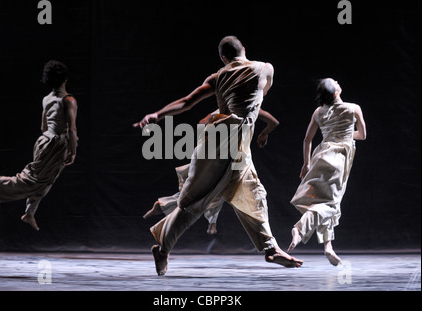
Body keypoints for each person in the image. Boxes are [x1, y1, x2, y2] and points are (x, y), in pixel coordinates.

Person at [134, 36, 303, 275]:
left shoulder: (217, 77)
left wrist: (157, 115)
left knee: (253, 194)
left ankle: (270, 248)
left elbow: (187, 102)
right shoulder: (265, 68)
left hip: (229, 146)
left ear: (224, 58)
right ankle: (162, 250)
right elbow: (261, 94)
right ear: (244, 49)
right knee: (196, 202)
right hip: (224, 145)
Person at [143, 108, 280, 236]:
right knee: (209, 191)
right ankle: (172, 209)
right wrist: (262, 133)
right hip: (220, 157)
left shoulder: (242, 109)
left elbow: (203, 122)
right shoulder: (239, 109)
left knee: (207, 191)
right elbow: (273, 123)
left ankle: (166, 205)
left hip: (227, 157)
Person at [0, 60, 79, 231]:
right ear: (65, 79)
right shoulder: (68, 100)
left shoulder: (46, 99)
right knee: (32, 181)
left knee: (46, 181)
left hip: (44, 141)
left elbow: (43, 127)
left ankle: (29, 213)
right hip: (57, 144)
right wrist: (72, 151)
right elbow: (72, 129)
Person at [287, 78, 366, 266]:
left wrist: (306, 164)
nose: (338, 81)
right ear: (336, 93)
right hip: (338, 159)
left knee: (326, 201)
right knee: (330, 203)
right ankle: (300, 228)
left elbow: (307, 140)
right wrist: (346, 135)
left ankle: (328, 247)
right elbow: (362, 135)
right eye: (335, 82)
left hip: (320, 157)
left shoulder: (318, 112)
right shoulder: (353, 108)